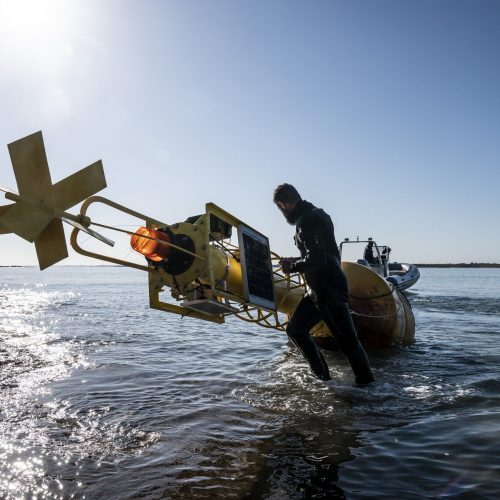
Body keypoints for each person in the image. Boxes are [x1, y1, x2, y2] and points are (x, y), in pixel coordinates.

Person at [273, 183, 374, 385]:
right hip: (320, 291)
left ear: (283, 204)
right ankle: (323, 380)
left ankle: (368, 388)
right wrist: (296, 260)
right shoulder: (319, 214)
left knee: (348, 342)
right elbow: (325, 253)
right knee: (295, 330)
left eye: (280, 208)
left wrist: (293, 268)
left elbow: (318, 259)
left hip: (328, 290)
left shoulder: (305, 221)